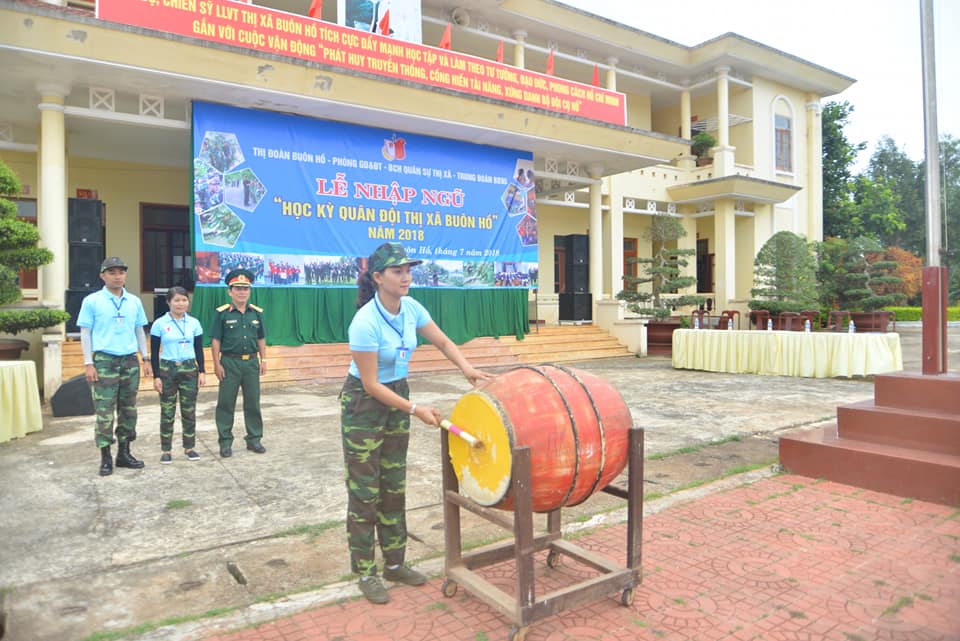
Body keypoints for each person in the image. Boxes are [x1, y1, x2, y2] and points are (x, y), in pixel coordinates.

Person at [340, 242, 493, 604]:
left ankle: (395, 563)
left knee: (393, 484)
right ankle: (365, 570)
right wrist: (415, 409)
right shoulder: (365, 322)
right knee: (365, 491)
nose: (406, 276)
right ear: (378, 277)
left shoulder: (410, 308)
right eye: (397, 271)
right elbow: (371, 384)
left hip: (398, 396)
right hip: (364, 404)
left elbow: (441, 340)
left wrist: (467, 369)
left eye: (408, 269)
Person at [77, 256, 153, 476]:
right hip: (104, 360)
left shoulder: (134, 302)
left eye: (121, 272)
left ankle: (124, 453)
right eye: (112, 272)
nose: (117, 276)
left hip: (129, 360)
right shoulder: (92, 301)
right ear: (102, 275)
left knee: (129, 409)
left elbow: (140, 330)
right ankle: (105, 457)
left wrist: (145, 358)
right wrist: (88, 362)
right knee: (105, 411)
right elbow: (85, 333)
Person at [210, 268, 267, 458]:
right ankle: (225, 442)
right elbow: (216, 340)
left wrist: (263, 360)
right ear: (230, 291)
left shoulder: (256, 313)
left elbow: (261, 338)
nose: (242, 292)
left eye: (245, 288)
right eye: (238, 288)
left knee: (253, 403)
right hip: (229, 363)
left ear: (249, 291)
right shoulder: (222, 314)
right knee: (226, 403)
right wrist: (217, 364)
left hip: (251, 363)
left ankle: (254, 439)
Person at [150, 286, 206, 464]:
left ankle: (189, 448)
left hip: (189, 369)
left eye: (184, 300)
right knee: (167, 411)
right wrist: (156, 376)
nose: (181, 304)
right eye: (176, 300)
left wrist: (202, 371)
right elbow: (154, 352)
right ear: (168, 302)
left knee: (189, 410)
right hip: (167, 369)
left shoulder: (194, 323)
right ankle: (166, 450)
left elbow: (199, 349)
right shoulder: (160, 324)